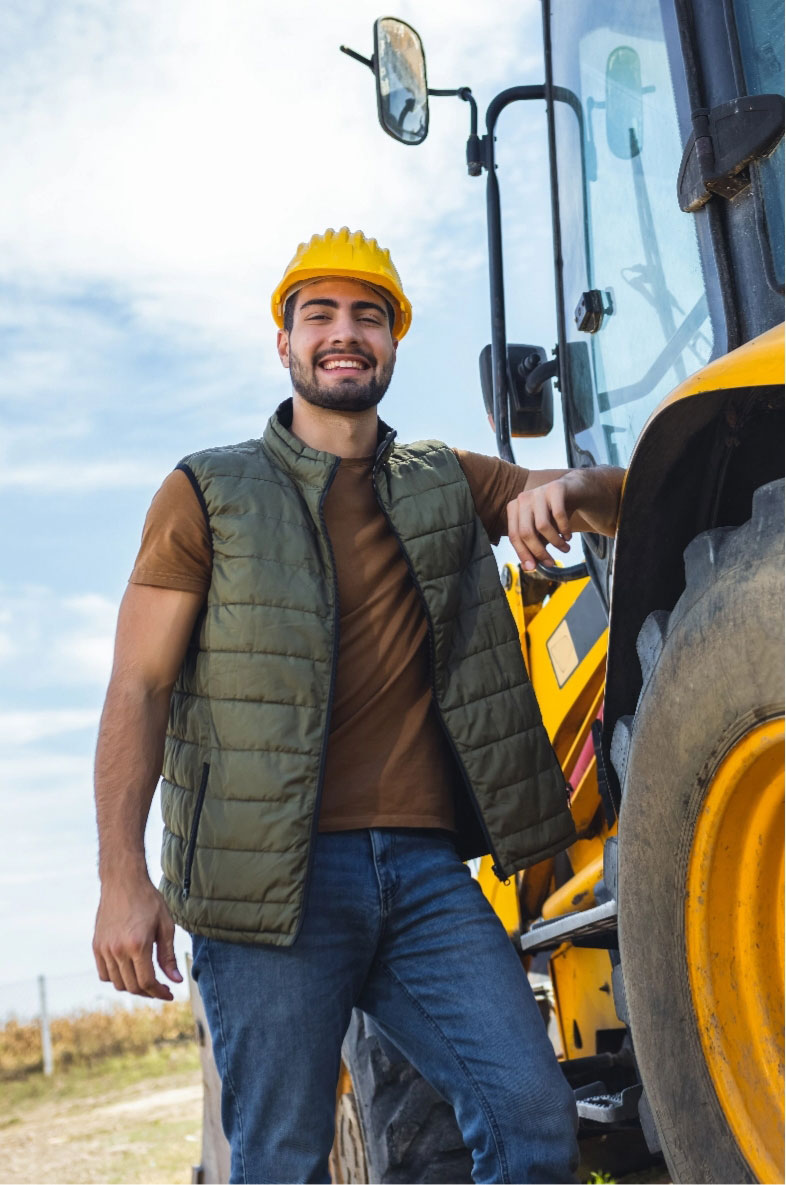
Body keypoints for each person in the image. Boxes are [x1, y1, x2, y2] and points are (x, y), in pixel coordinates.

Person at [92, 228, 624, 1185]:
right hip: (267, 892)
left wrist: (580, 487)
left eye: (368, 316)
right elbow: (137, 686)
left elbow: (623, 504)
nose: (345, 334)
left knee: (533, 1117)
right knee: (285, 1161)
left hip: (423, 877)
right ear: (286, 342)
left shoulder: (445, 478)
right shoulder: (207, 491)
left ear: (393, 341)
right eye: (321, 315)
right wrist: (122, 878)